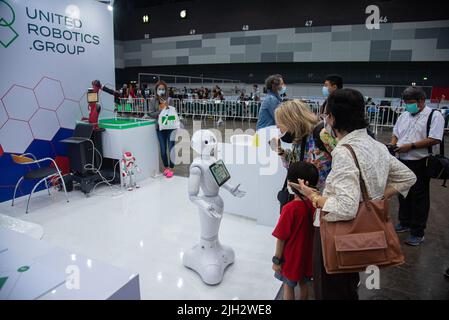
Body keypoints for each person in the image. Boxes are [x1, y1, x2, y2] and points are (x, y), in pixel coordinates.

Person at [291, 88, 416, 300]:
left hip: (336, 235)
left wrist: (313, 196)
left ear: (332, 118)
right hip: (360, 236)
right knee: (348, 288)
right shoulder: (376, 145)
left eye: (325, 115)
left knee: (330, 290)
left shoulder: (344, 151)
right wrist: (379, 197)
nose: (325, 120)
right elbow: (408, 177)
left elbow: (345, 207)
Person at [391, 86, 445, 246]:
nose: (408, 106)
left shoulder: (434, 116)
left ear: (422, 101)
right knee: (402, 192)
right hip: (402, 159)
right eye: (406, 103)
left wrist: (411, 146)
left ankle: (418, 231)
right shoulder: (404, 115)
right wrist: (393, 145)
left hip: (420, 161)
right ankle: (405, 221)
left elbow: (434, 138)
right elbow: (395, 133)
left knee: (419, 197)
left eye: (411, 103)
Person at [272, 162, 317, 300]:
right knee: (304, 284)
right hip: (308, 257)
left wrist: (277, 260)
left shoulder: (290, 209)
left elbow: (281, 238)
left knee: (288, 286)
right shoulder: (315, 205)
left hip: (291, 259)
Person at [273, 99, 334, 191]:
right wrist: (281, 152)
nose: (277, 126)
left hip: (324, 198)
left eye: (280, 122)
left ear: (291, 121)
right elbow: (295, 168)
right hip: (310, 197)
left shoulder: (322, 135)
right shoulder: (299, 138)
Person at [149, 80, 176, 178]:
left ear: (166, 90)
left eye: (163, 89)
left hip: (170, 127)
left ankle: (171, 167)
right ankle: (166, 167)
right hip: (160, 128)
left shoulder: (169, 100)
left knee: (171, 148)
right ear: (156, 90)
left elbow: (173, 113)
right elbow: (151, 113)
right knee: (163, 149)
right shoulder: (152, 101)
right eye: (159, 89)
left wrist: (167, 107)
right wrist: (160, 111)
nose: (161, 91)